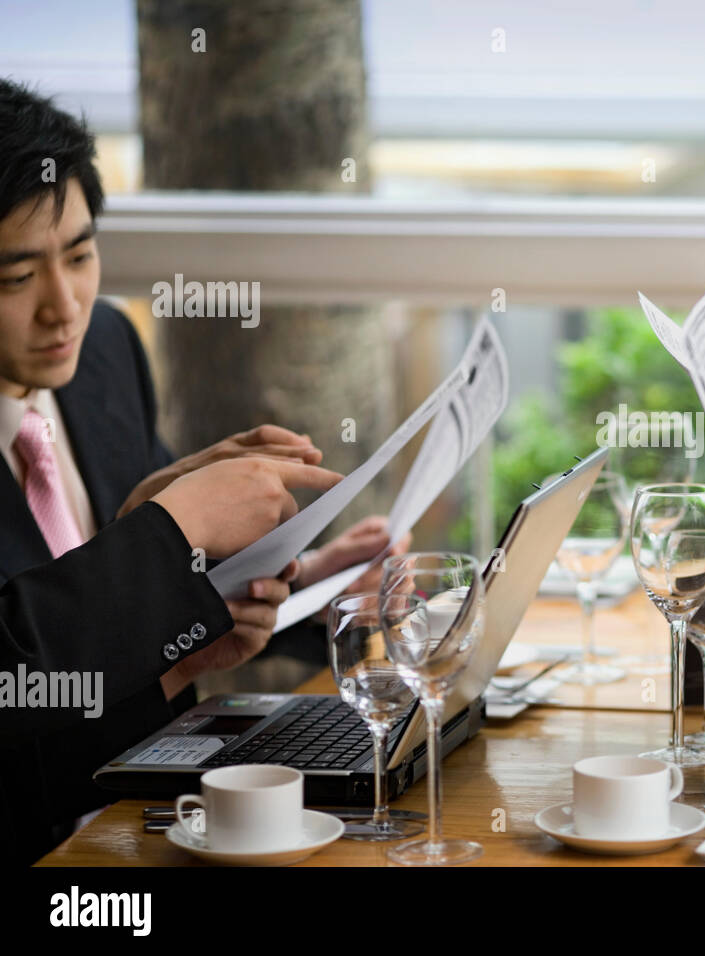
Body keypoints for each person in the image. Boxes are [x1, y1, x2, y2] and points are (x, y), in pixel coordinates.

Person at [0, 78, 398, 863]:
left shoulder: (104, 353)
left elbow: (125, 623)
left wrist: (305, 590)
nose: (64, 305)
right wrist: (170, 531)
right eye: (15, 279)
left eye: (80, 255)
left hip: (124, 829)